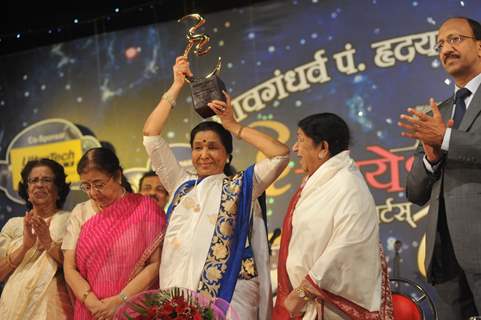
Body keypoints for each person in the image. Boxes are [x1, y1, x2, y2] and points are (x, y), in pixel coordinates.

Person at [143, 56, 289, 319]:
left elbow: (280, 155)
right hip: (177, 298)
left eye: (213, 147)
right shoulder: (181, 184)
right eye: (198, 147)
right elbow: (151, 135)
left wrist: (233, 125)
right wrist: (177, 84)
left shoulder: (241, 186)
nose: (204, 154)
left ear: (227, 155)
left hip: (230, 296)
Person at [399, 16, 481, 319]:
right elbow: (415, 191)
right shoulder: (439, 112)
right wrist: (430, 158)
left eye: (455, 39)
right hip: (444, 257)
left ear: (480, 47)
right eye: (440, 45)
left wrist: (446, 138)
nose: (446, 49)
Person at [273, 113, 392, 320]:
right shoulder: (319, 183)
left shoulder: (348, 186)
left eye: (300, 140)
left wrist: (303, 292)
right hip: (310, 306)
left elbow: (346, 248)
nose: (295, 148)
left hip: (332, 309)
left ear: (323, 148)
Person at [62, 148, 165, 320]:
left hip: (135, 307)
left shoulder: (145, 208)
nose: (93, 193)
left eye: (99, 184)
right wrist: (93, 303)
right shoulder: (80, 213)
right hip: (91, 311)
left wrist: (120, 300)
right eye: (86, 186)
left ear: (117, 177)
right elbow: (69, 267)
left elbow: (154, 264)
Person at [0, 158, 73, 319]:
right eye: (33, 180)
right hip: (12, 307)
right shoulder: (13, 225)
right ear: (27, 189)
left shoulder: (71, 221)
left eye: (46, 180)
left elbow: (78, 268)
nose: (39, 185)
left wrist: (48, 243)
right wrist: (25, 247)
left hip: (54, 309)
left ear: (58, 188)